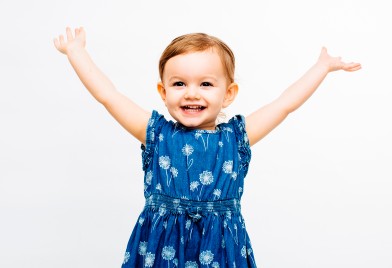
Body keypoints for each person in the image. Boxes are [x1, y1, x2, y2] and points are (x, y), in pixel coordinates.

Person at [54, 27, 361, 267]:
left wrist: (321, 68)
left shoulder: (236, 138)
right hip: (162, 248)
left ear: (228, 94)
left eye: (205, 84)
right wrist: (76, 53)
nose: (191, 93)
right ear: (163, 91)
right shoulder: (156, 134)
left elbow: (284, 105)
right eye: (179, 84)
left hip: (221, 248)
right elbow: (109, 95)